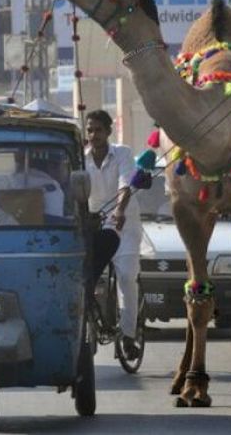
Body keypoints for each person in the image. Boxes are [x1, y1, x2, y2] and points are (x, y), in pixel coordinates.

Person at [85, 109, 142, 360]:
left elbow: (125, 183)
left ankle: (129, 336)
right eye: (89, 130)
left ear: (108, 131)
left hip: (124, 227)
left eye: (98, 130)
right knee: (83, 277)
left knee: (127, 277)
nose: (93, 134)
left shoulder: (123, 153)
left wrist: (119, 210)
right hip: (94, 227)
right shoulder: (80, 158)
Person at [8, 151, 65, 217]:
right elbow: (56, 221)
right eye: (63, 165)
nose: (64, 170)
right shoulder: (53, 189)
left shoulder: (11, 181)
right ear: (52, 166)